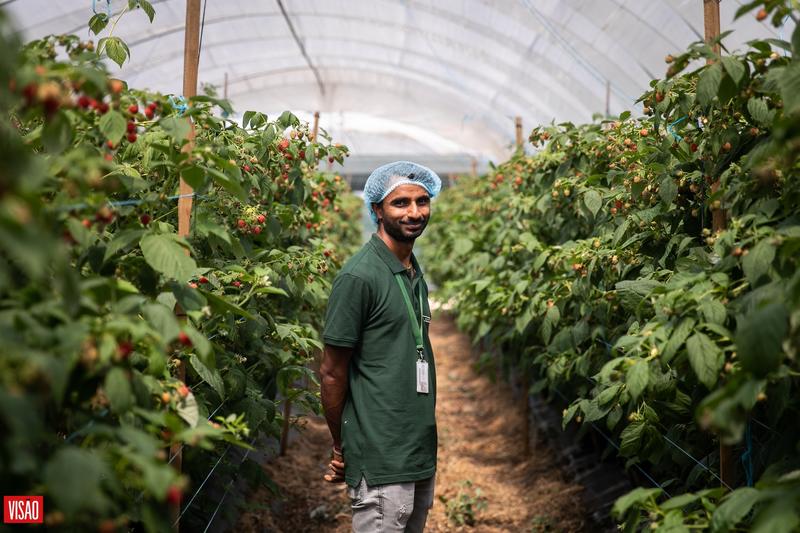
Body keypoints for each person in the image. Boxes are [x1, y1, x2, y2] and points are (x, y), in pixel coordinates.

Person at [319, 161, 441, 532]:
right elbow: (331, 371)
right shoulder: (359, 277)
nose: (415, 212)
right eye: (401, 203)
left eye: (422, 201)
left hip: (417, 449)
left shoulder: (412, 272)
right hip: (381, 454)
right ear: (376, 209)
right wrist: (341, 446)